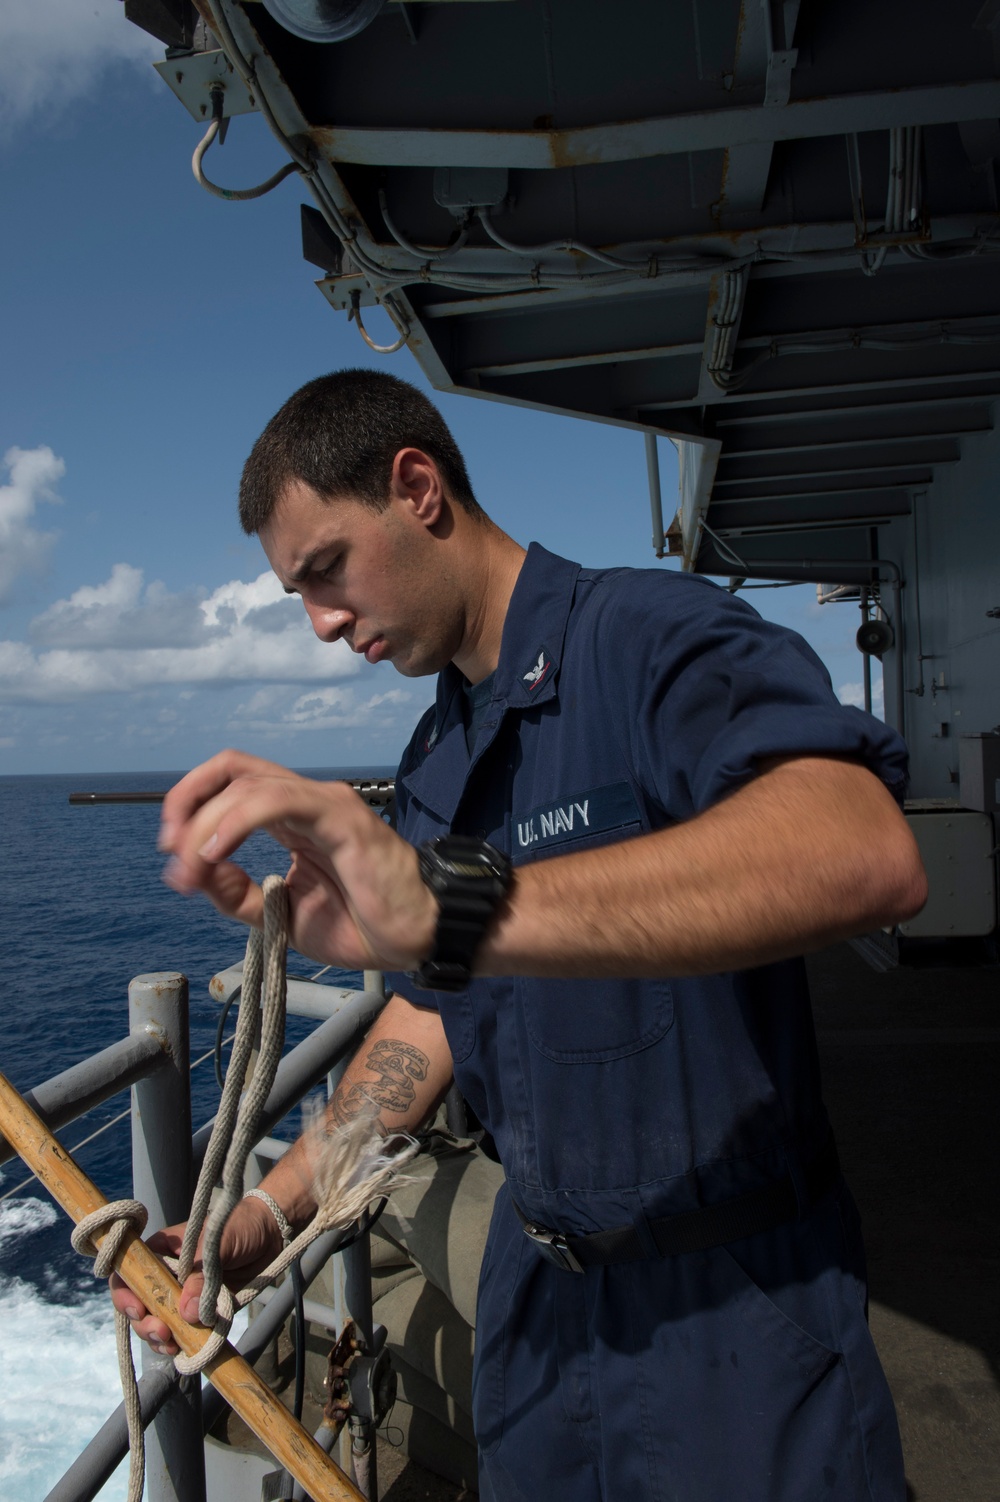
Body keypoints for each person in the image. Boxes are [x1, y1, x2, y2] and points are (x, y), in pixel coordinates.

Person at [113, 369, 926, 1502]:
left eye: (326, 570)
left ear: (417, 487)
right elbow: (431, 1015)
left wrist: (455, 906)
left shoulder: (651, 637)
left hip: (736, 1312)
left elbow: (863, 850)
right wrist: (259, 1214)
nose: (322, 624)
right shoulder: (436, 761)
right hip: (537, 1314)